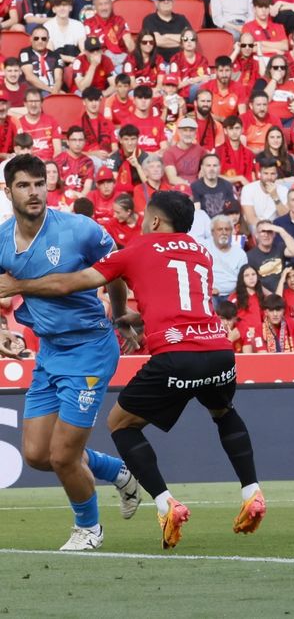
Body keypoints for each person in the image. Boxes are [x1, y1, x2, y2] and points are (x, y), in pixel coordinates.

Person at [0, 190, 266, 550]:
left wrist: (18, 285)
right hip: (219, 351)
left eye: (145, 215)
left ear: (155, 221)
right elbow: (181, 298)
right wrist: (136, 317)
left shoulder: (137, 249)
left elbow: (66, 283)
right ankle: (251, 490)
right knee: (223, 412)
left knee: (121, 424)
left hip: (175, 355)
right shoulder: (201, 252)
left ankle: (164, 503)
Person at [0, 154, 140, 551]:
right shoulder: (2, 239)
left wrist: (118, 314)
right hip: (49, 352)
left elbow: (115, 268)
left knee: (63, 456)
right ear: (8, 191)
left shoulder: (78, 229)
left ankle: (89, 530)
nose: (34, 192)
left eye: (39, 183)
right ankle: (118, 471)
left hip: (90, 348)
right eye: (24, 185)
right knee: (36, 455)